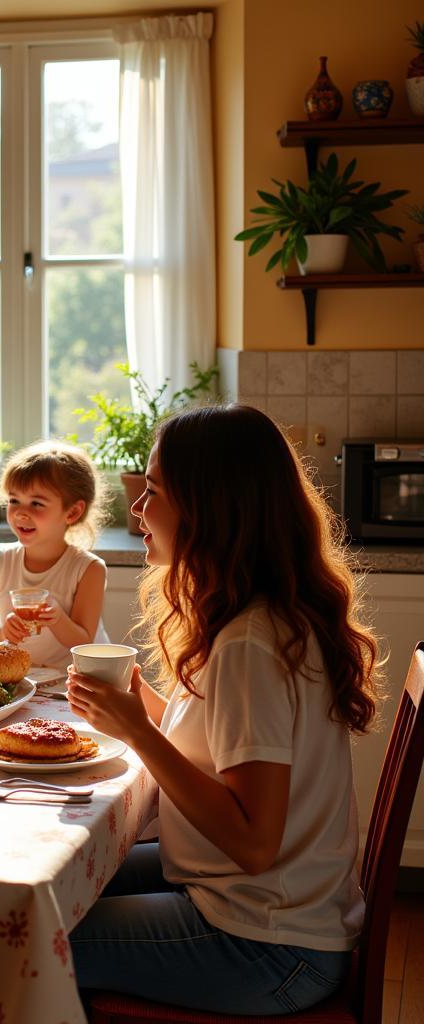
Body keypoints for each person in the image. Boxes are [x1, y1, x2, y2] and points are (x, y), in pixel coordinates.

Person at [64, 404, 379, 1015]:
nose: (136, 508)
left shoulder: (250, 645)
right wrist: (143, 709)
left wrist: (137, 732)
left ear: (208, 508)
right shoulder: (260, 616)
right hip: (264, 907)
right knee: (53, 886)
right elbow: (220, 750)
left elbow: (254, 842)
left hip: (268, 946)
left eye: (152, 491)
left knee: (15, 941)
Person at [0, 440, 109, 668]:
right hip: (21, 680)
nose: (20, 513)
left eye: (36, 503)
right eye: (14, 500)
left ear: (72, 512)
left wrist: (58, 618)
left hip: (70, 683)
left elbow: (84, 642)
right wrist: (4, 632)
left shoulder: (89, 570)